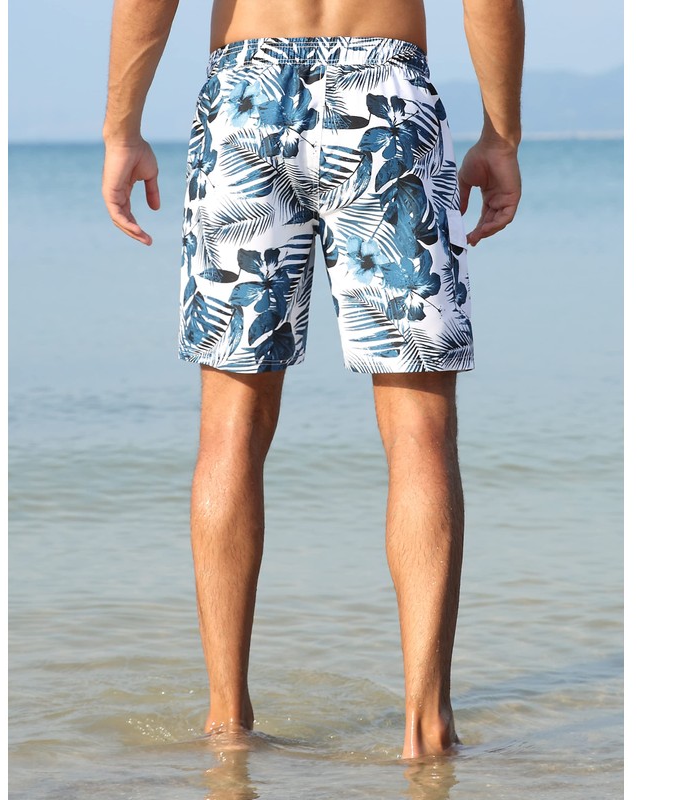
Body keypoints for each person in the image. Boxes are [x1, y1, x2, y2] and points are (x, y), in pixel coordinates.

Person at [102, 0, 524, 759]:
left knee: (229, 429)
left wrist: (121, 129)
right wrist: (502, 133)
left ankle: (228, 726)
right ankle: (425, 728)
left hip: (247, 95)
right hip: (385, 90)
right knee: (419, 431)